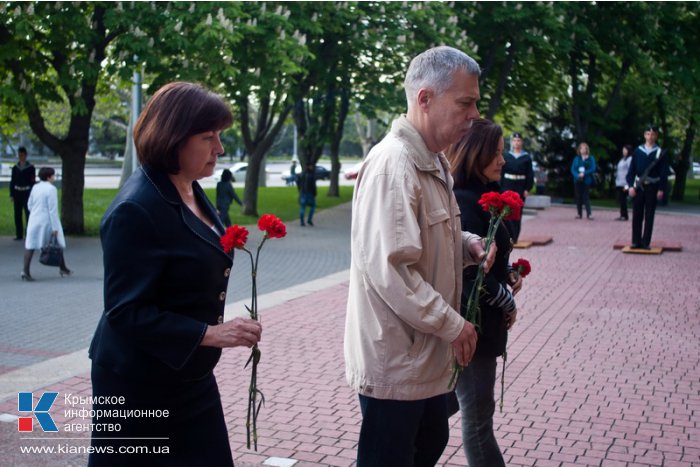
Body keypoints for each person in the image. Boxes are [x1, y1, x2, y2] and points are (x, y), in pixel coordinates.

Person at [87, 82, 262, 466]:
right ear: (173, 139)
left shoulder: (190, 188)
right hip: (139, 383)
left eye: (219, 136)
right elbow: (125, 311)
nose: (220, 148)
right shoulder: (135, 209)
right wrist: (210, 333)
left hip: (188, 374)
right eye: (208, 137)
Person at [344, 46, 496, 467]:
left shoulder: (430, 161)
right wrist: (454, 325)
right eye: (465, 103)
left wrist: (466, 244)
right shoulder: (395, 165)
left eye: (476, 103)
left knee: (429, 441)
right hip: (398, 362)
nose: (474, 115)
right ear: (424, 98)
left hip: (422, 358)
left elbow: (422, 239)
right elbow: (392, 271)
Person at [445, 118, 522, 467]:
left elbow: (488, 258)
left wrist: (508, 272)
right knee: (477, 423)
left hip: (481, 327)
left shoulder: (478, 195)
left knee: (461, 411)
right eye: (495, 152)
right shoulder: (464, 199)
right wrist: (507, 300)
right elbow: (471, 273)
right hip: (471, 328)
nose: (503, 160)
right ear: (475, 153)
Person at [22, 167, 70, 280]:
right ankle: (63, 267)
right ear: (49, 176)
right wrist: (55, 227)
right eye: (53, 175)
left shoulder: (35, 187)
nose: (54, 177)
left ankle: (25, 270)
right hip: (46, 221)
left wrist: (35, 212)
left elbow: (29, 204)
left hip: (34, 219)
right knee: (57, 243)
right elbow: (52, 209)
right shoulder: (51, 189)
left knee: (30, 245)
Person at [626, 125, 669, 249]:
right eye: (648, 134)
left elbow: (663, 172)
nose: (650, 136)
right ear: (644, 135)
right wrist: (630, 186)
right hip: (639, 187)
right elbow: (631, 171)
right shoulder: (638, 151)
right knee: (637, 215)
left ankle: (646, 242)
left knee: (649, 215)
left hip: (653, 186)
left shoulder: (660, 152)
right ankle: (636, 241)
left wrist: (661, 188)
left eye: (653, 134)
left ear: (656, 136)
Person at [500, 132, 533, 241]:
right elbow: (501, 172)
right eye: (514, 140)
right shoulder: (506, 156)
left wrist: (527, 188)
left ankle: (515, 237)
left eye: (518, 140)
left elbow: (530, 174)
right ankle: (507, 235)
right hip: (507, 185)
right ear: (511, 142)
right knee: (506, 212)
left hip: (520, 187)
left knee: (517, 212)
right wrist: (501, 187)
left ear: (521, 142)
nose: (516, 143)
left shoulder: (526, 158)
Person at [9, 146, 36, 240]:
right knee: (17, 214)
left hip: (26, 193)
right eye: (20, 155)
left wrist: (32, 194)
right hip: (17, 193)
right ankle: (19, 234)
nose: (21, 157)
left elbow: (32, 182)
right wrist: (11, 194)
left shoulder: (31, 168)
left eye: (23, 155)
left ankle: (29, 234)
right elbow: (12, 182)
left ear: (26, 155)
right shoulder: (15, 168)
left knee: (28, 214)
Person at [570, 142, 597, 220]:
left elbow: (593, 168)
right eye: (581, 148)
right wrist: (577, 175)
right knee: (578, 197)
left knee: (586, 197)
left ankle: (589, 214)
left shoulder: (590, 158)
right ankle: (579, 213)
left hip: (586, 180)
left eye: (584, 148)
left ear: (587, 149)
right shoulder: (576, 158)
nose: (583, 150)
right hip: (577, 180)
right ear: (579, 149)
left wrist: (584, 173)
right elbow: (573, 169)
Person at [615, 144, 633, 221]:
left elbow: (630, 171)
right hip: (619, 182)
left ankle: (625, 215)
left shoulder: (630, 159)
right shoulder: (622, 159)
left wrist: (628, 183)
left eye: (625, 150)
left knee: (623, 199)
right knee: (621, 199)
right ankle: (622, 214)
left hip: (625, 183)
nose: (624, 151)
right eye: (623, 150)